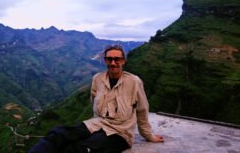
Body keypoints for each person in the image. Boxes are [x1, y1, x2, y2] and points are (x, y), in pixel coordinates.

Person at [28, 45, 164, 153]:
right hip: (96, 124)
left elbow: (142, 110)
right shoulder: (98, 79)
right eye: (109, 59)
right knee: (58, 134)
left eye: (117, 59)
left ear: (123, 61)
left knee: (80, 149)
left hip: (120, 132)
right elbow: (94, 103)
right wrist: (88, 131)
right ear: (104, 60)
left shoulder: (134, 82)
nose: (113, 63)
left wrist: (148, 135)